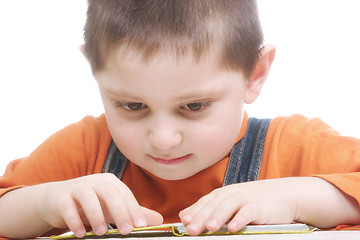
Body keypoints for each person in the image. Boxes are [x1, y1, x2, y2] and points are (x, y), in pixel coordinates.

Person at [1, 0, 360, 239]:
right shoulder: (85, 149)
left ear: (255, 74)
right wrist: (44, 204)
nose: (163, 138)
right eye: (131, 105)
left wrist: (296, 198)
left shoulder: (293, 146)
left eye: (194, 106)